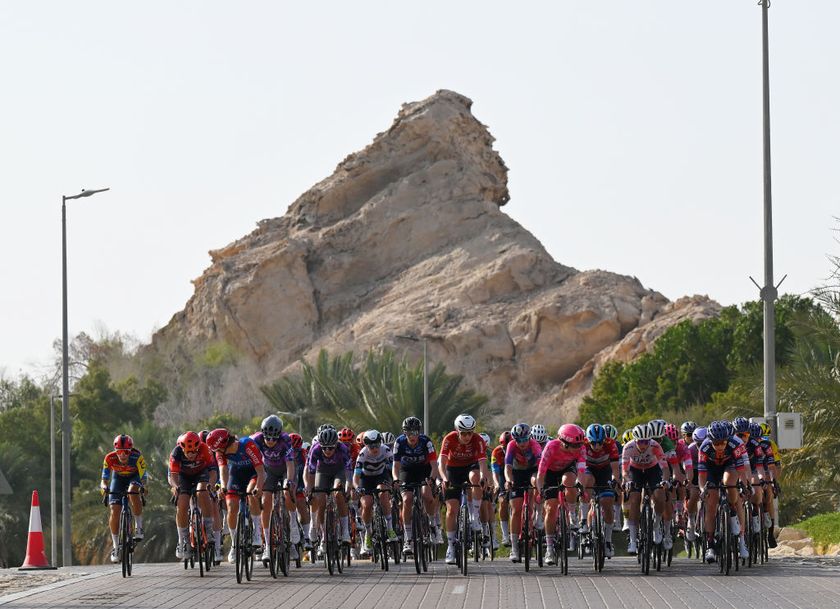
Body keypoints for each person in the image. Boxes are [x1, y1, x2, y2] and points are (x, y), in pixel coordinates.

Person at [205, 428, 266, 563]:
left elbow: (261, 471)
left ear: (225, 445)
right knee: (231, 506)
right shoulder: (220, 453)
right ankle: (234, 543)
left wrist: (259, 488)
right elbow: (223, 471)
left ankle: (256, 533)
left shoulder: (247, 445)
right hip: (236, 476)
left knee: (251, 493)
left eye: (218, 450)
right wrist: (223, 487)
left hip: (253, 474)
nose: (217, 453)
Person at [438, 414, 490, 565]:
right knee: (451, 510)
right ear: (457, 431)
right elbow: (441, 462)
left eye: (470, 433)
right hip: (452, 470)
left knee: (476, 478)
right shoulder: (449, 438)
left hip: (471, 466)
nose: (467, 436)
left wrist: (483, 478)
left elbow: (482, 464)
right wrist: (444, 478)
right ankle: (451, 546)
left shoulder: (478, 440)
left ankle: (474, 516)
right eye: (464, 433)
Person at [697, 420, 749, 563]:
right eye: (716, 443)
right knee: (711, 504)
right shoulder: (704, 447)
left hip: (729, 466)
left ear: (728, 440)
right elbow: (701, 475)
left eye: (723, 443)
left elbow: (741, 471)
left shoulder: (735, 444)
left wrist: (744, 486)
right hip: (711, 470)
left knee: (730, 485)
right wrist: (703, 490)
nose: (720, 446)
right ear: (711, 441)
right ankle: (710, 545)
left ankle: (741, 539)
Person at [251, 415, 301, 558]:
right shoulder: (256, 440)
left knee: (287, 492)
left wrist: (289, 481)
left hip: (285, 469)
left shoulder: (285, 441)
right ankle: (267, 544)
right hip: (270, 471)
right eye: (268, 438)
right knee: (266, 502)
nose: (271, 441)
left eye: (274, 438)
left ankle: (292, 523)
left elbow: (290, 465)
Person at [168, 431, 221, 561]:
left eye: (194, 452)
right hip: (182, 476)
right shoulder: (176, 453)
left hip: (201, 473)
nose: (191, 455)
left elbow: (213, 472)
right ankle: (184, 540)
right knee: (182, 503)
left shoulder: (205, 449)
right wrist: (175, 487)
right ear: (182, 449)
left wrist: (211, 485)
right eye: (188, 452)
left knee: (202, 491)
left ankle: (208, 530)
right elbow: (173, 476)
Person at [392, 416, 442, 554]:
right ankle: (408, 539)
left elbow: (434, 465)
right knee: (407, 499)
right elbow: (395, 466)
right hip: (406, 470)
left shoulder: (426, 442)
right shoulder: (399, 442)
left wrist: (432, 478)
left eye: (415, 433)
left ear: (419, 432)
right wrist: (396, 479)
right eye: (408, 433)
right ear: (404, 433)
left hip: (424, 470)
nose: (412, 436)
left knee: (427, 495)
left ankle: (433, 525)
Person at [536, 424, 586, 556]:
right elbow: (540, 474)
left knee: (569, 482)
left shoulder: (581, 448)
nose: (578, 448)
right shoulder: (551, 447)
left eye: (579, 445)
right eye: (575, 446)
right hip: (550, 473)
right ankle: (549, 548)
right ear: (563, 442)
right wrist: (541, 490)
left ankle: (572, 514)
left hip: (568, 469)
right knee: (551, 508)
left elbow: (581, 471)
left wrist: (580, 485)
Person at [621, 423, 668, 555]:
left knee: (659, 495)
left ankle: (657, 525)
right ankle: (633, 540)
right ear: (635, 440)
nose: (643, 445)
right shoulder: (628, 447)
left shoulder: (655, 445)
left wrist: (664, 480)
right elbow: (624, 472)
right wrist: (629, 481)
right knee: (635, 499)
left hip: (652, 470)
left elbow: (664, 467)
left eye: (646, 441)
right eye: (641, 441)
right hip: (635, 471)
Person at [305, 427, 352, 557]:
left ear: (336, 445)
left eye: (330, 448)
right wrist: (310, 488)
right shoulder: (315, 450)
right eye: (324, 448)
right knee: (320, 498)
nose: (327, 451)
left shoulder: (343, 449)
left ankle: (345, 532)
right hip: (322, 472)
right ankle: (324, 535)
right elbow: (311, 472)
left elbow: (348, 473)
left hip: (339, 472)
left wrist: (348, 487)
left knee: (338, 493)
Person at [101, 434, 147, 563]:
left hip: (134, 477)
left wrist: (144, 487)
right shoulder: (109, 458)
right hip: (118, 479)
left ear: (130, 451)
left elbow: (144, 477)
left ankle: (138, 526)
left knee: (133, 491)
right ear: (116, 452)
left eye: (126, 452)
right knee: (114, 511)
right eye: (119, 452)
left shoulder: (137, 457)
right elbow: (104, 479)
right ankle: (116, 546)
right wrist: (104, 488)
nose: (123, 455)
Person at [579, 424, 620, 558]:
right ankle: (584, 520)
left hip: (605, 471)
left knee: (607, 502)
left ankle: (608, 541)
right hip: (589, 469)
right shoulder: (582, 444)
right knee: (587, 483)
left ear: (604, 440)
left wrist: (615, 479)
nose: (596, 446)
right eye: (593, 443)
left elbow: (615, 468)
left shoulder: (610, 444)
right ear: (588, 440)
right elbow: (578, 466)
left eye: (599, 443)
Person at [354, 430, 396, 556]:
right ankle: (368, 532)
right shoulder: (362, 454)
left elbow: (394, 468)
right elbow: (356, 476)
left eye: (377, 444)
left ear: (380, 443)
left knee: (383, 493)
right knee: (366, 504)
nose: (374, 448)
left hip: (380, 476)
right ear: (366, 445)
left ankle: (389, 528)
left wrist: (394, 481)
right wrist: (357, 487)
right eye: (371, 446)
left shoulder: (386, 451)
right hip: (365, 479)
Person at [504, 423, 541, 563]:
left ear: (529, 437)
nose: (522, 443)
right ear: (514, 440)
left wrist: (539, 486)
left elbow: (541, 467)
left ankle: (537, 517)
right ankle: (514, 547)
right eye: (519, 440)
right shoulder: (511, 446)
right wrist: (508, 480)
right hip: (517, 473)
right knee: (516, 510)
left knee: (535, 482)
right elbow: (507, 467)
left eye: (525, 439)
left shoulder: (535, 445)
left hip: (532, 471)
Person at [491, 431, 513, 547]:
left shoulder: (518, 448)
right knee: (503, 502)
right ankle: (505, 535)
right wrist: (496, 485)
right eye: (505, 447)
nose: (507, 449)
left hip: (516, 473)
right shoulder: (496, 452)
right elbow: (495, 472)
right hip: (502, 475)